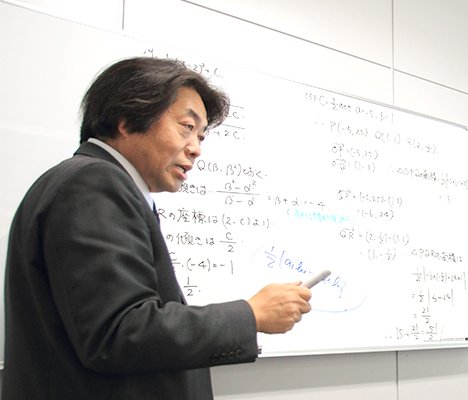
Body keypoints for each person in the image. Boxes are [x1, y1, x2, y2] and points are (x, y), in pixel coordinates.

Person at [2, 57, 312, 400]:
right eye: (186, 127)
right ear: (126, 119)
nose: (196, 149)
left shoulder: (87, 180)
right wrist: (251, 315)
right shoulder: (93, 182)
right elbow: (119, 333)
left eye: (201, 136)